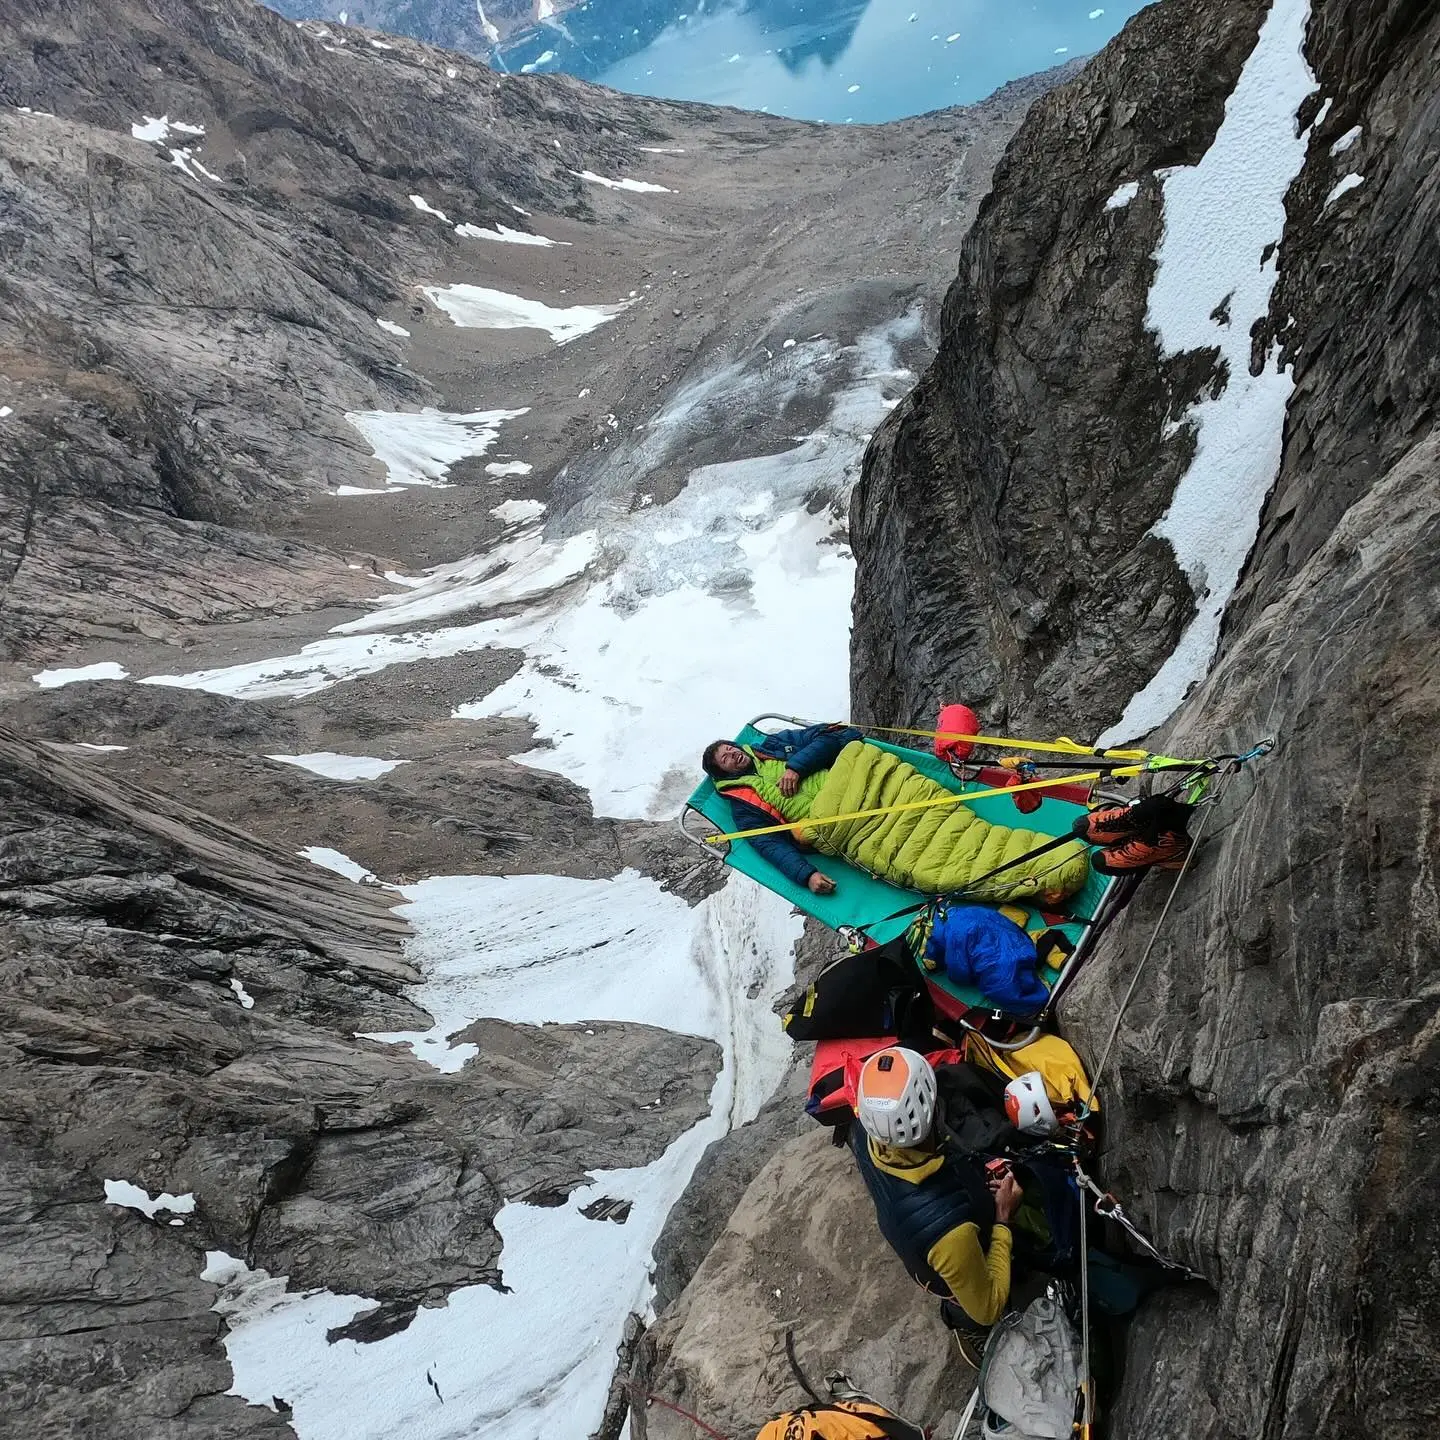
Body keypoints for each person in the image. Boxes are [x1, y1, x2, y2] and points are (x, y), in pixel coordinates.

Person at [847, 1046, 1021, 1364]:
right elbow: (989, 1306)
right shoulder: (951, 1233)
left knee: (950, 1271)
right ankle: (966, 1325)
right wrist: (1002, 1218)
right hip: (945, 1245)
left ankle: (956, 1298)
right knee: (974, 1304)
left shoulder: (863, 1135)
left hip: (914, 1234)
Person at [701, 723, 861, 894]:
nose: (732, 754)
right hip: (840, 823)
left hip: (853, 783)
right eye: (725, 759)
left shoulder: (774, 745)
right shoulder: (743, 806)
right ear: (723, 773)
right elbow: (770, 845)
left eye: (730, 748)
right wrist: (807, 875)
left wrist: (797, 767)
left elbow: (834, 737)